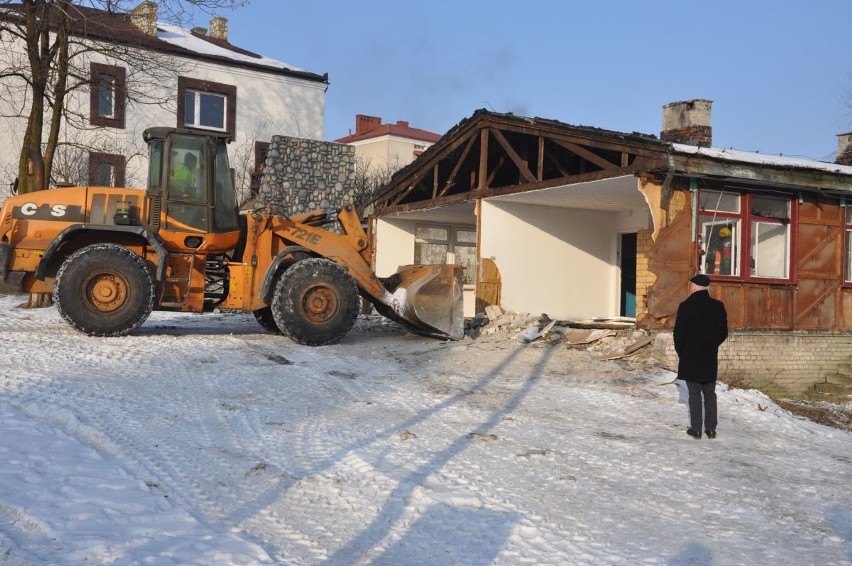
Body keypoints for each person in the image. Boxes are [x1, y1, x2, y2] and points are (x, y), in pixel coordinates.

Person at [673, 274, 728, 439]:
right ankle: (711, 429)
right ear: (707, 287)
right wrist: (711, 345)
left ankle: (696, 429)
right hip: (709, 356)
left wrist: (682, 352)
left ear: (694, 287)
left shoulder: (685, 306)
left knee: (694, 393)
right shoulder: (718, 306)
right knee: (710, 393)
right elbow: (723, 333)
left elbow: (678, 334)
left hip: (690, 356)